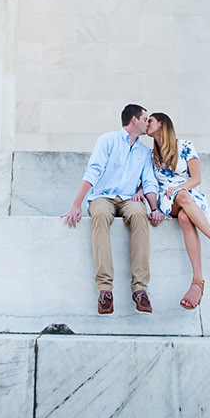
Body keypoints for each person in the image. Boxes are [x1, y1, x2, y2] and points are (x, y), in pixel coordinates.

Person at [62, 103, 165, 314]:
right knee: (99, 215)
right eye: (146, 119)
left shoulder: (145, 153)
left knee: (139, 215)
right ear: (134, 120)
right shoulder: (107, 140)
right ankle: (105, 289)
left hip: (129, 199)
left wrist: (154, 207)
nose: (148, 123)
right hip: (103, 196)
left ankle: (140, 289)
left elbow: (149, 181)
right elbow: (94, 170)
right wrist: (76, 204)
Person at [144, 112, 210, 310]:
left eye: (150, 121)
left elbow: (197, 178)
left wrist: (180, 188)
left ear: (162, 123)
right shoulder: (151, 155)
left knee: (184, 217)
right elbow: (146, 181)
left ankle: (197, 282)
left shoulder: (186, 146)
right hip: (167, 199)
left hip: (189, 193)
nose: (147, 124)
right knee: (181, 199)